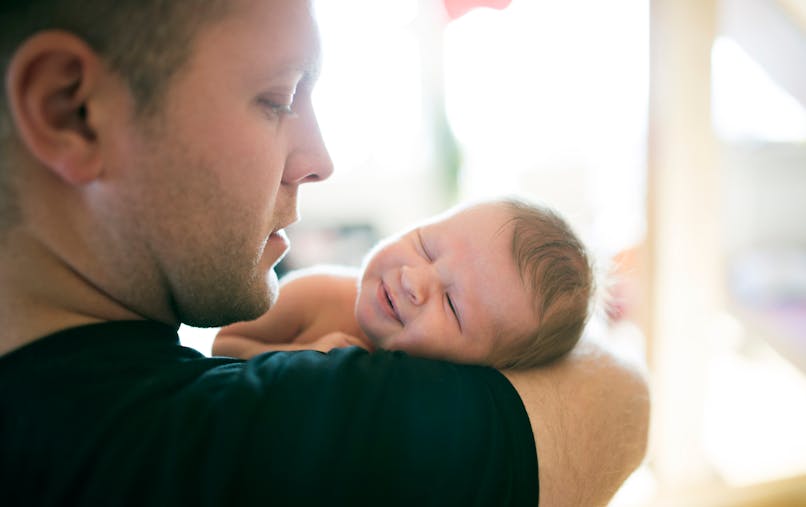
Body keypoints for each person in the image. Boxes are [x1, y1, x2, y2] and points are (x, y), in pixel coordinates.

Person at [0, 0, 650, 505]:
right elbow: (620, 401)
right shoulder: (244, 438)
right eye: (277, 99)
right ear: (73, 110)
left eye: (454, 305)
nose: (321, 160)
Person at [214, 197, 594, 370]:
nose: (413, 279)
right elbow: (223, 346)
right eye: (425, 246)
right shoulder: (319, 294)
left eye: (452, 305)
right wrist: (303, 356)